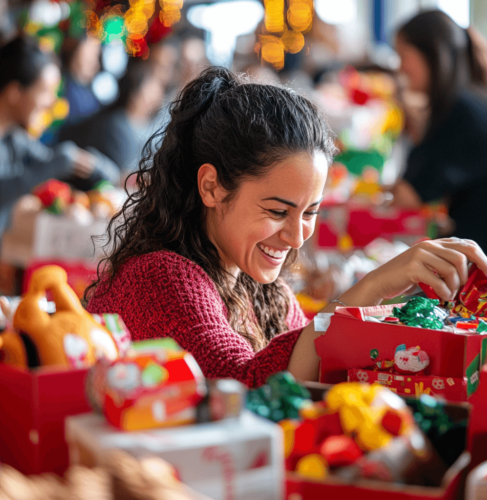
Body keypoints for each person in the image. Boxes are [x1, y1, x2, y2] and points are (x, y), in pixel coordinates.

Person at [86, 67, 487, 388]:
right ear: (211, 186)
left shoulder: (259, 287)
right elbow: (247, 389)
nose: (297, 237)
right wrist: (370, 291)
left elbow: (311, 368)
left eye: (310, 212)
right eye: (278, 211)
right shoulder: (160, 278)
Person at [0, 33, 120, 255]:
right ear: (14, 92)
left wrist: (103, 171)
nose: (51, 102)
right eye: (45, 92)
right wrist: (55, 164)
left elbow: (55, 160)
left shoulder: (12, 136)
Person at [391, 10, 487, 251]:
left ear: (432, 54)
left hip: (475, 260)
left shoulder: (459, 112)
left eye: (404, 56)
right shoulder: (469, 100)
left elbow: (408, 197)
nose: (401, 68)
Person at [59, 56, 164, 174]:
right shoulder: (117, 125)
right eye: (151, 88)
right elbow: (121, 172)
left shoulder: (154, 125)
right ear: (135, 93)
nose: (157, 93)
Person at [60, 36, 102, 125]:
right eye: (89, 59)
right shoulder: (63, 89)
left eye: (96, 56)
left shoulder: (94, 89)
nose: (94, 63)